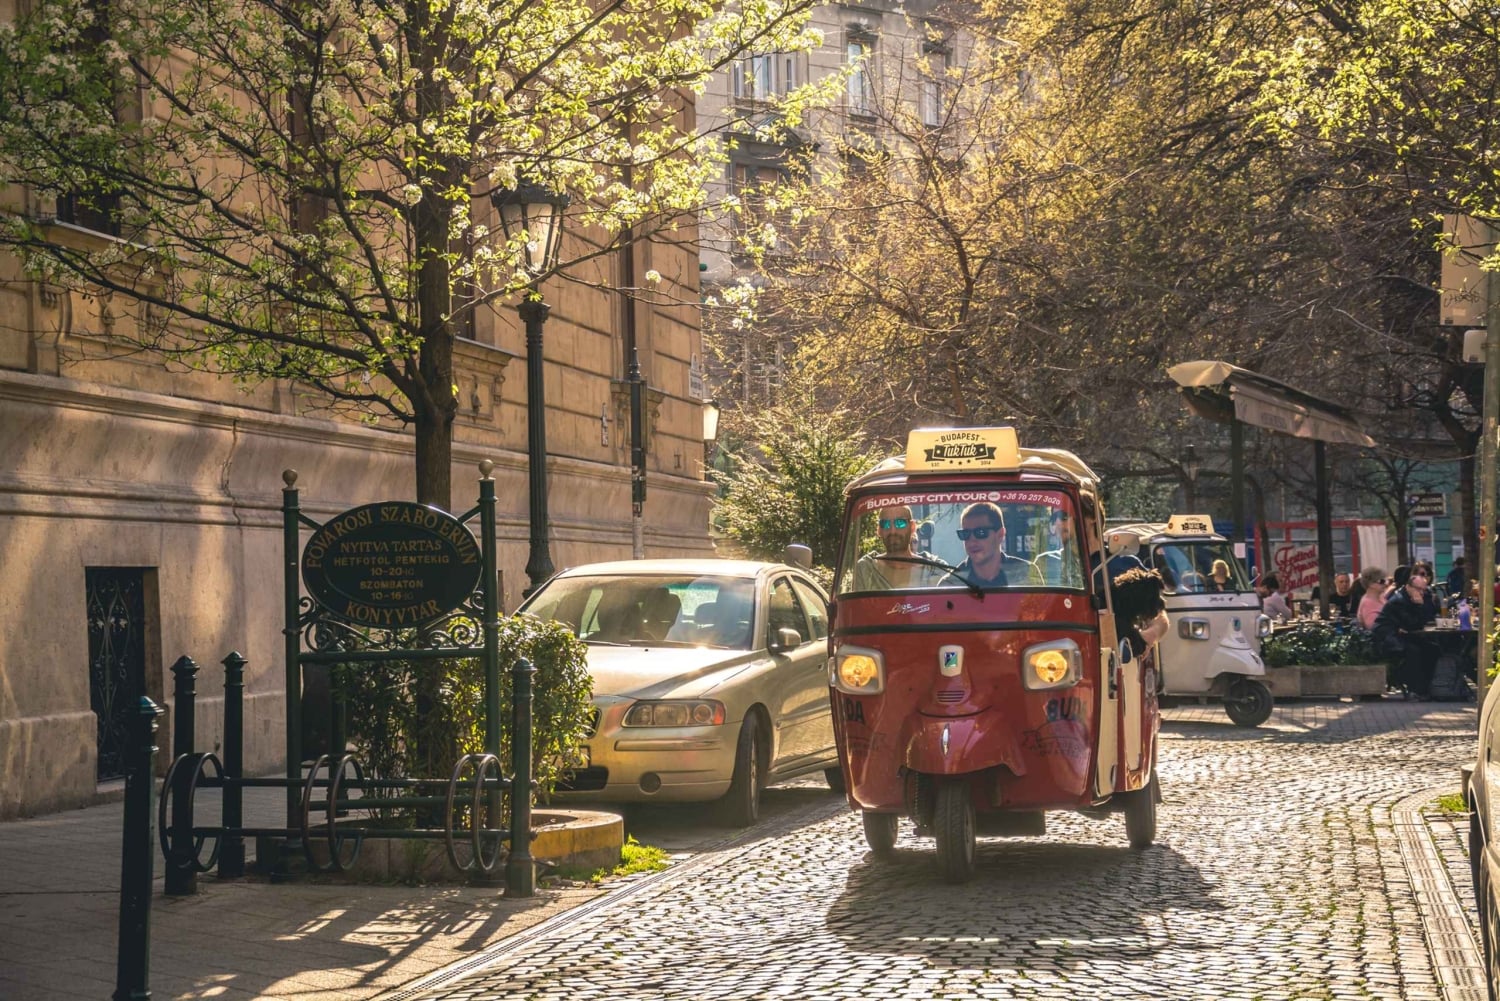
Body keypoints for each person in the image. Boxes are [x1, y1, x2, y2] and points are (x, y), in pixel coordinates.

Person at [1373, 566, 1439, 698]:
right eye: (1419, 589)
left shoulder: (1419, 597)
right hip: (1388, 637)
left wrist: (1424, 604)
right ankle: (1416, 690)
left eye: (1423, 590)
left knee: (1433, 649)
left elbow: (1429, 618)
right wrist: (1418, 605)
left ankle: (1429, 686)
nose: (1421, 593)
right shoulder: (1399, 600)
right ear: (1409, 587)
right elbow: (1413, 623)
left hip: (1404, 634)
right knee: (1414, 651)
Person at [852, 504, 942, 590]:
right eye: (885, 523)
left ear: (912, 527)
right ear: (879, 530)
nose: (893, 530)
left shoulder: (934, 569)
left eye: (900, 523)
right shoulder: (865, 570)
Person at [953, 501, 1042, 587]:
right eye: (965, 534)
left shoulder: (1026, 574)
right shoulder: (951, 583)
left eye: (980, 532)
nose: (972, 540)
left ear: (1000, 534)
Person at [1035, 508, 1085, 587]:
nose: (1058, 523)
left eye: (1064, 516)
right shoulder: (1044, 561)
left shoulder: (1101, 559)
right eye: (1054, 518)